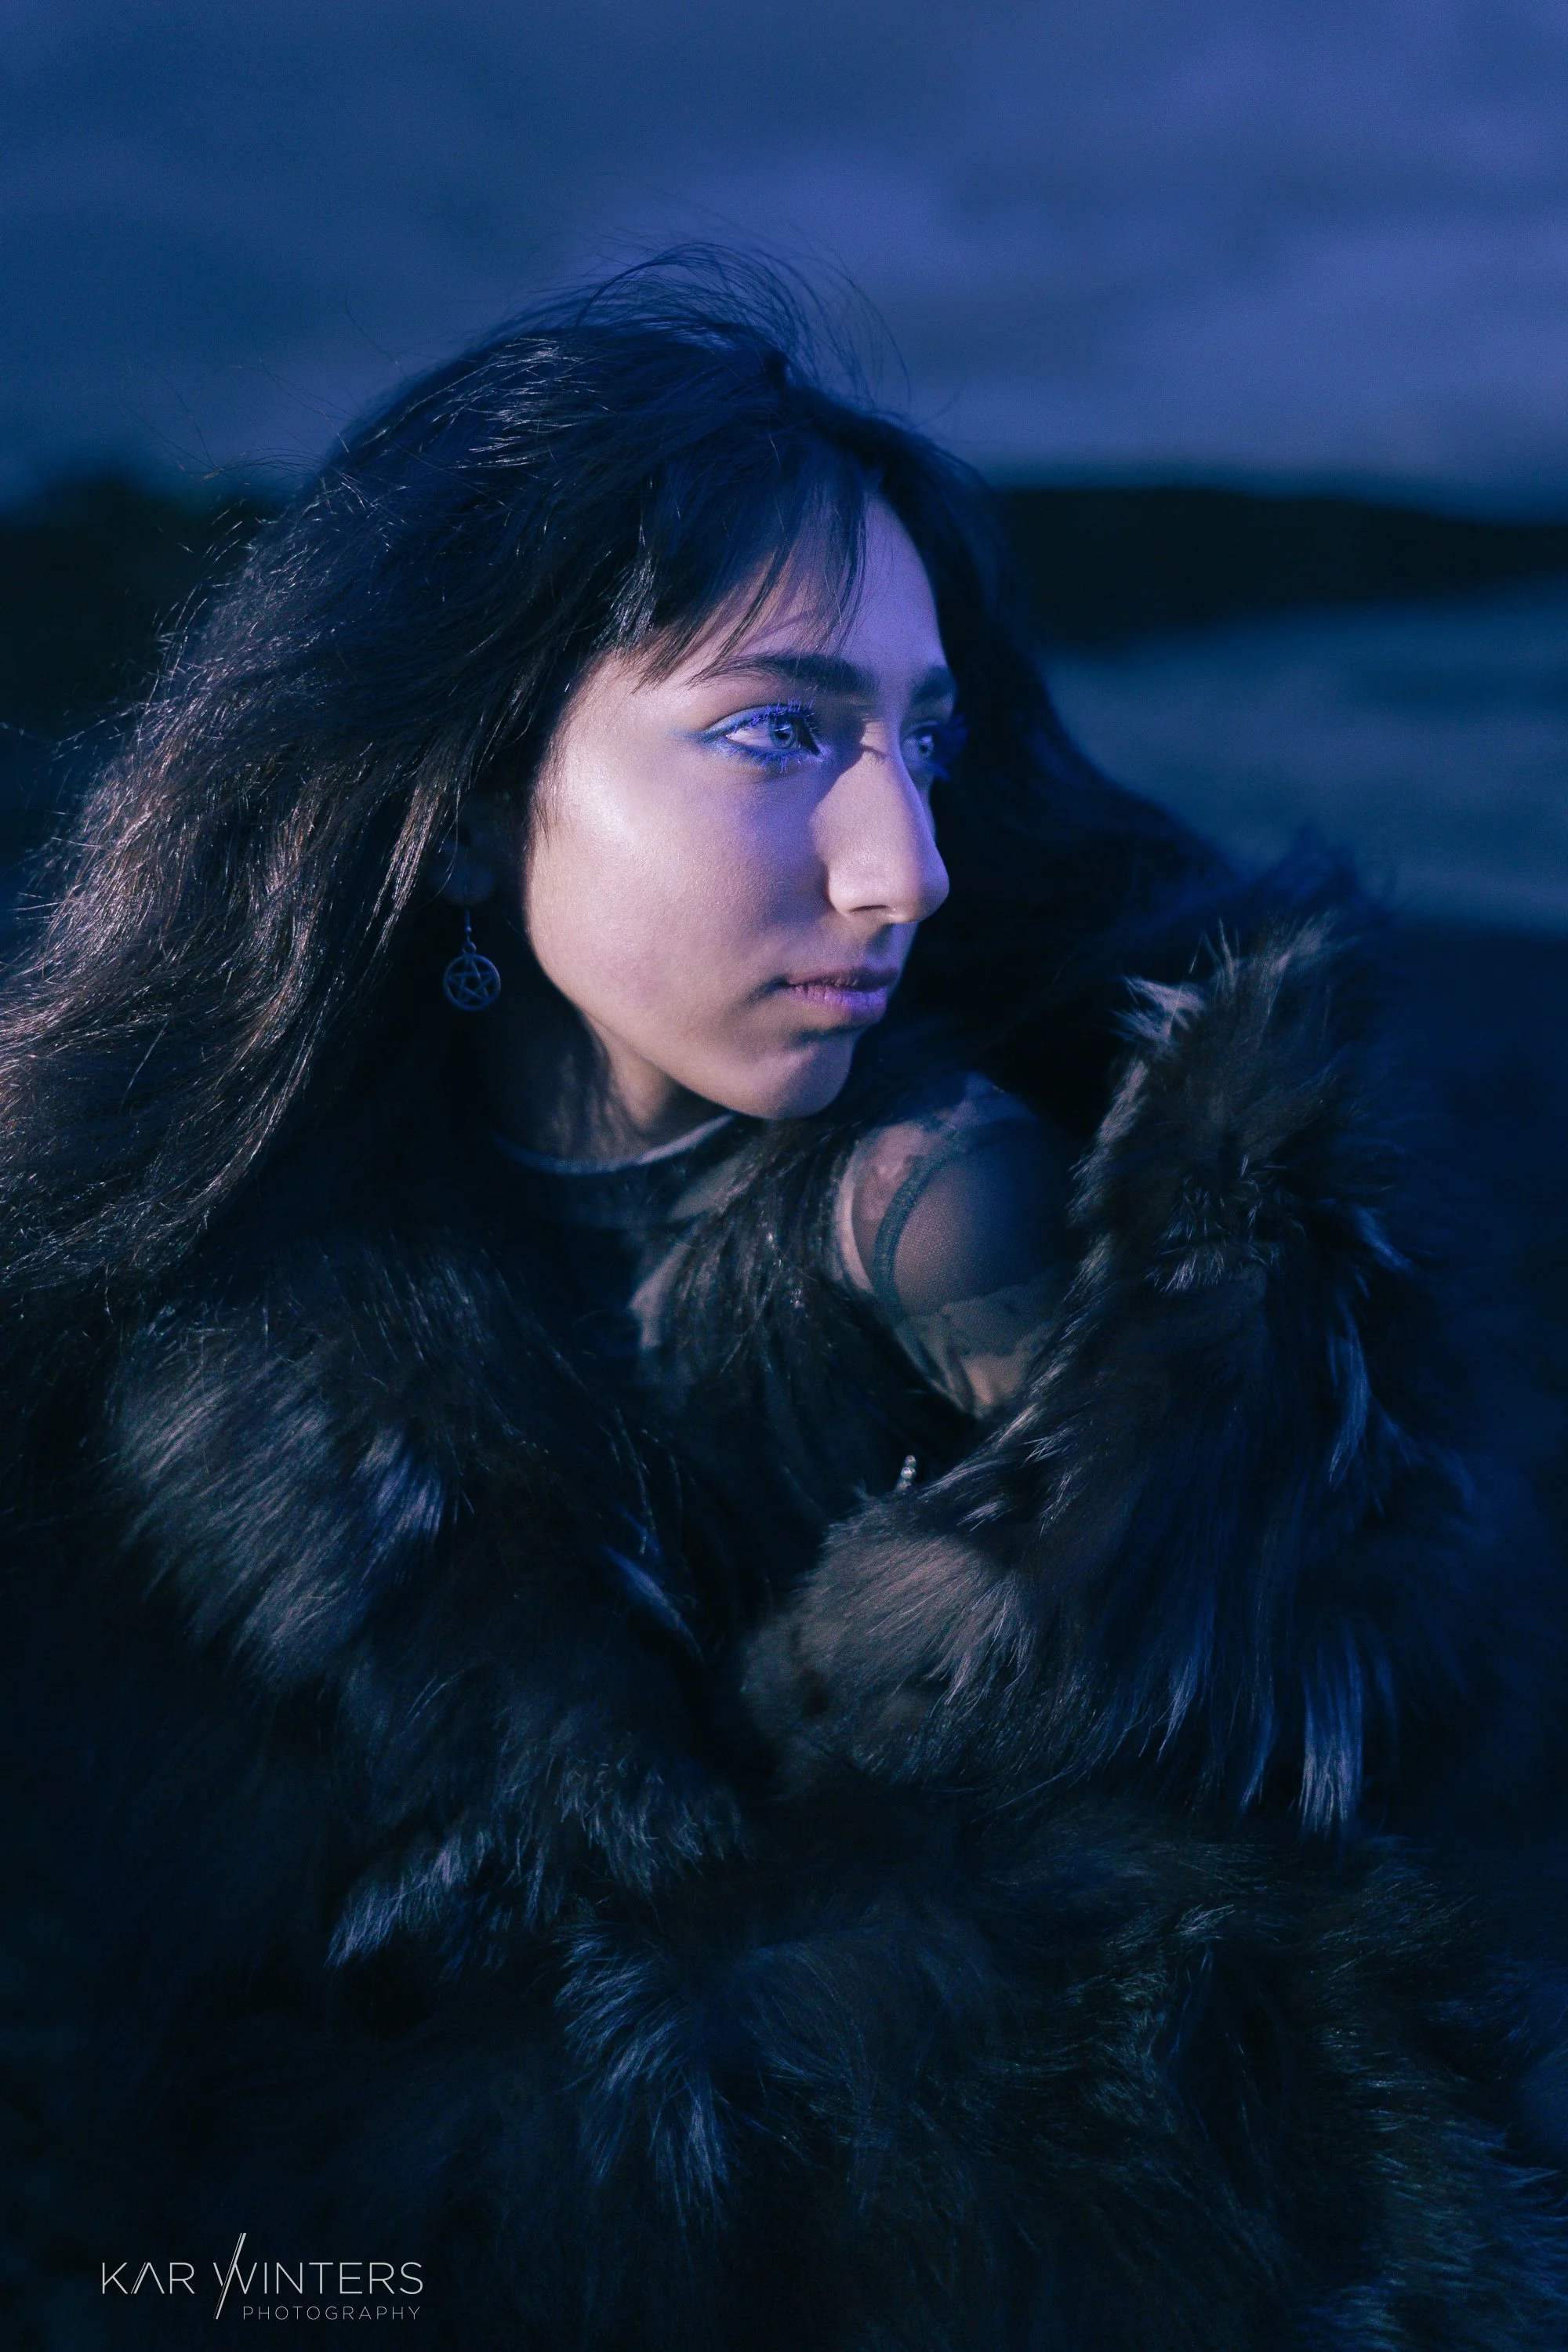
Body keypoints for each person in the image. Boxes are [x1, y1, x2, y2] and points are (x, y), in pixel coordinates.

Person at [2, 257, 1564, 2348]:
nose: (900, 863)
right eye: (777, 732)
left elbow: (1239, 1884)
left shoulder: (954, 1205)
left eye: (921, 741)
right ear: (463, 807)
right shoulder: (219, 1320)